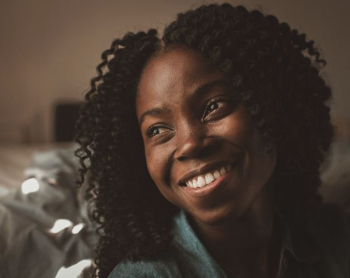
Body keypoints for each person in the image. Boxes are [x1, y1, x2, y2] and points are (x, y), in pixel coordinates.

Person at [75, 3, 350, 278]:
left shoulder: (338, 238)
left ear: (273, 105)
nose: (190, 144)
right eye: (158, 130)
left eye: (213, 106)